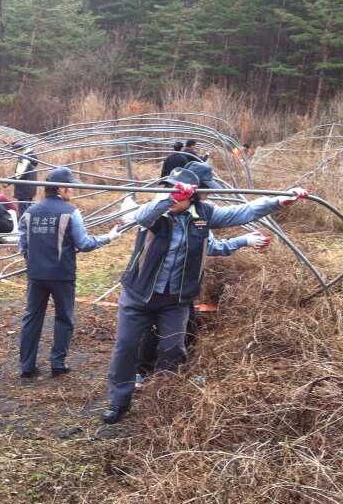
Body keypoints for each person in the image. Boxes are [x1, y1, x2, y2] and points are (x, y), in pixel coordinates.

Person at [102, 161, 308, 424]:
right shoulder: (155, 212)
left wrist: (279, 200)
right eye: (168, 190)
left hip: (176, 300)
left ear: (193, 197)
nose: (171, 196)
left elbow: (242, 212)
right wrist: (169, 199)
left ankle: (162, 399)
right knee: (126, 347)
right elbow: (140, 217)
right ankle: (119, 401)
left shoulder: (204, 214)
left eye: (177, 193)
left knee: (172, 350)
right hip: (138, 297)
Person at [18, 167, 122, 379]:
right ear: (60, 188)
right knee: (64, 317)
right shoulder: (70, 212)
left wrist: (34, 262)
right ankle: (58, 364)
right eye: (70, 187)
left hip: (36, 275)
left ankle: (26, 367)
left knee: (31, 318)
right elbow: (84, 244)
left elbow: (23, 245)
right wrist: (109, 237)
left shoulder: (29, 212)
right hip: (62, 275)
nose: (72, 191)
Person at [135, 230, 272, 379]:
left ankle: (174, 369)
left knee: (187, 326)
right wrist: (244, 240)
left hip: (178, 287)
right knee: (157, 330)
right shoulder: (172, 221)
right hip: (163, 288)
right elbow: (213, 247)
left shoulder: (194, 220)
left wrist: (245, 239)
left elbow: (211, 241)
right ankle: (149, 373)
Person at [12, 144, 39, 219]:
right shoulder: (31, 158)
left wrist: (8, 181)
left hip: (23, 190)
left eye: (15, 152)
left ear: (19, 150)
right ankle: (28, 224)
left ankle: (23, 225)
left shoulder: (24, 159)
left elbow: (19, 175)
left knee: (23, 212)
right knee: (28, 210)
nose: (15, 154)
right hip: (30, 189)